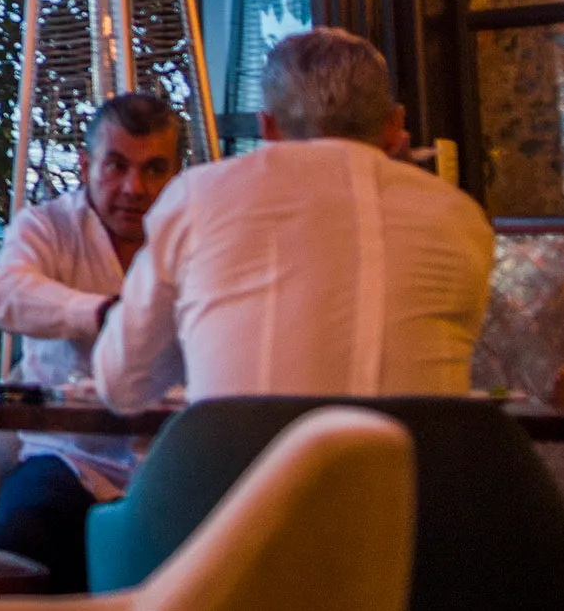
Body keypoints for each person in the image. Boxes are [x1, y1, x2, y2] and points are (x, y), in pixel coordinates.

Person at [93, 27, 492, 413]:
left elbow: (123, 384)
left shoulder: (197, 197)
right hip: (411, 477)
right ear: (394, 127)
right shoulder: (459, 216)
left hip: (239, 473)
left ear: (267, 128)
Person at [0, 91, 183, 592]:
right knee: (31, 525)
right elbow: (2, 293)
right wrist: (100, 314)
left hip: (172, 458)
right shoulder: (48, 227)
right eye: (116, 166)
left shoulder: (192, 239)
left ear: (177, 173)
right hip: (68, 455)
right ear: (87, 164)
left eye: (154, 169)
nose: (134, 187)